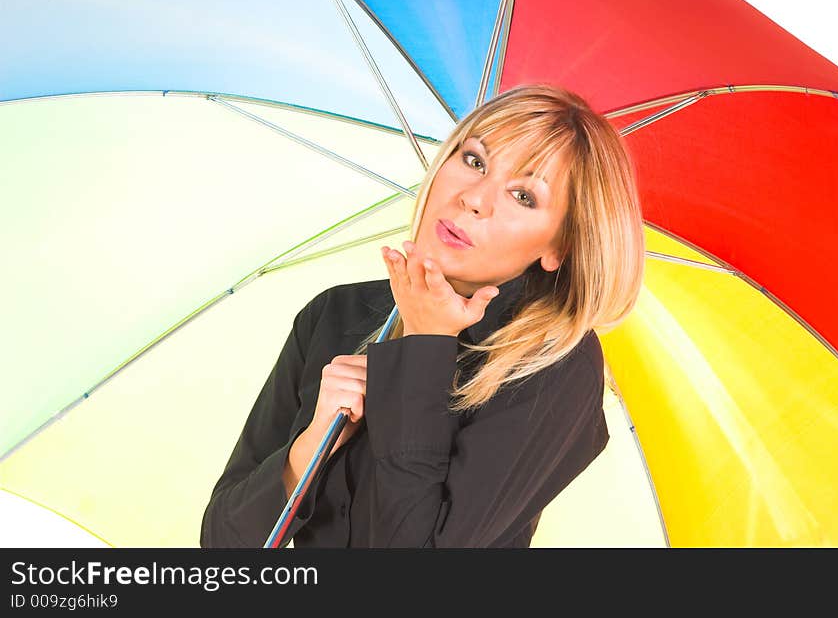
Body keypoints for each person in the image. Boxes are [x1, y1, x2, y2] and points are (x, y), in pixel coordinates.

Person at [200, 83, 645, 548]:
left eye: (524, 196)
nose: (475, 198)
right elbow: (221, 544)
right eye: (474, 160)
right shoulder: (334, 315)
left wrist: (423, 353)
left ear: (558, 248)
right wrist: (314, 443)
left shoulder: (553, 367)